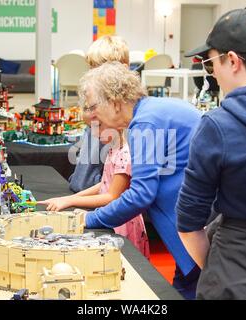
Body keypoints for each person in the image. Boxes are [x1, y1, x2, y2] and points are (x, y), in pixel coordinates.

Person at [176, 8, 246, 300]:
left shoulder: (217, 127)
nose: (212, 75)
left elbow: (188, 224)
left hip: (235, 277)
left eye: (210, 64)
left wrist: (217, 269)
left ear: (232, 61)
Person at [77, 61, 201, 299]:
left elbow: (141, 194)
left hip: (196, 230)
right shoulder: (154, 111)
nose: (91, 115)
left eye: (93, 106)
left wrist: (89, 219)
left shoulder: (144, 123)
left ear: (114, 102)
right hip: (199, 225)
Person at [39, 126, 150, 259]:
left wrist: (70, 201)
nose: (95, 134)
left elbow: (112, 197)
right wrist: (68, 198)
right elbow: (105, 183)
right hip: (112, 215)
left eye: (99, 127)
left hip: (122, 222)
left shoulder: (124, 154)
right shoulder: (113, 149)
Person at [68, 35, 130, 193]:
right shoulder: (98, 110)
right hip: (85, 191)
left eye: (100, 70)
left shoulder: (121, 117)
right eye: (92, 69)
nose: (94, 77)